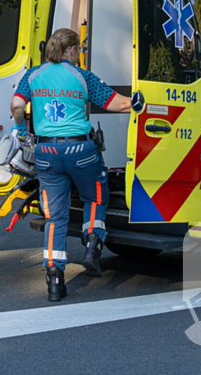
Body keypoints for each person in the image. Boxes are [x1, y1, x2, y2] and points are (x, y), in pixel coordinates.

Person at [10, 28, 131, 301]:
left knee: (55, 216)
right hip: (80, 151)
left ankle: (54, 279)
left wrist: (21, 128)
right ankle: (93, 242)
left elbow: (17, 104)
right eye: (79, 50)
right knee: (95, 195)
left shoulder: (33, 75)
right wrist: (143, 101)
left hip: (46, 152)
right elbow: (119, 104)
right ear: (73, 50)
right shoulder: (82, 77)